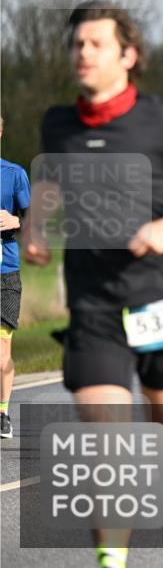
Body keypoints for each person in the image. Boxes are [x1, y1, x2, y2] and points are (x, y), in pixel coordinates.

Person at [25, 0, 163, 568]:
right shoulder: (58, 121)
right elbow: (51, 174)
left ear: (128, 55)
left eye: (95, 43)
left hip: (160, 301)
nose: (82, 53)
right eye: (76, 43)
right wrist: (35, 224)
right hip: (94, 309)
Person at [0, 116, 29, 439]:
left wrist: (15, 222)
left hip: (4, 272)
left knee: (2, 351)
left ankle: (2, 413)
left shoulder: (13, 174)